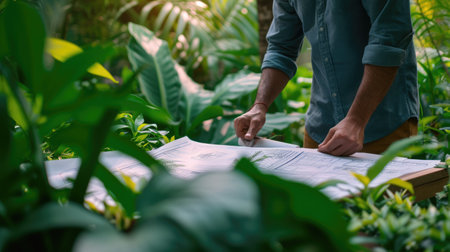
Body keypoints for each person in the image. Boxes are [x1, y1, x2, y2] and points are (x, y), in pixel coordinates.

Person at [234, 0, 419, 156]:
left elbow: (388, 42)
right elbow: (281, 48)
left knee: (381, 200)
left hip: (381, 126)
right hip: (320, 126)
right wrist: (260, 106)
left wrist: (356, 120)